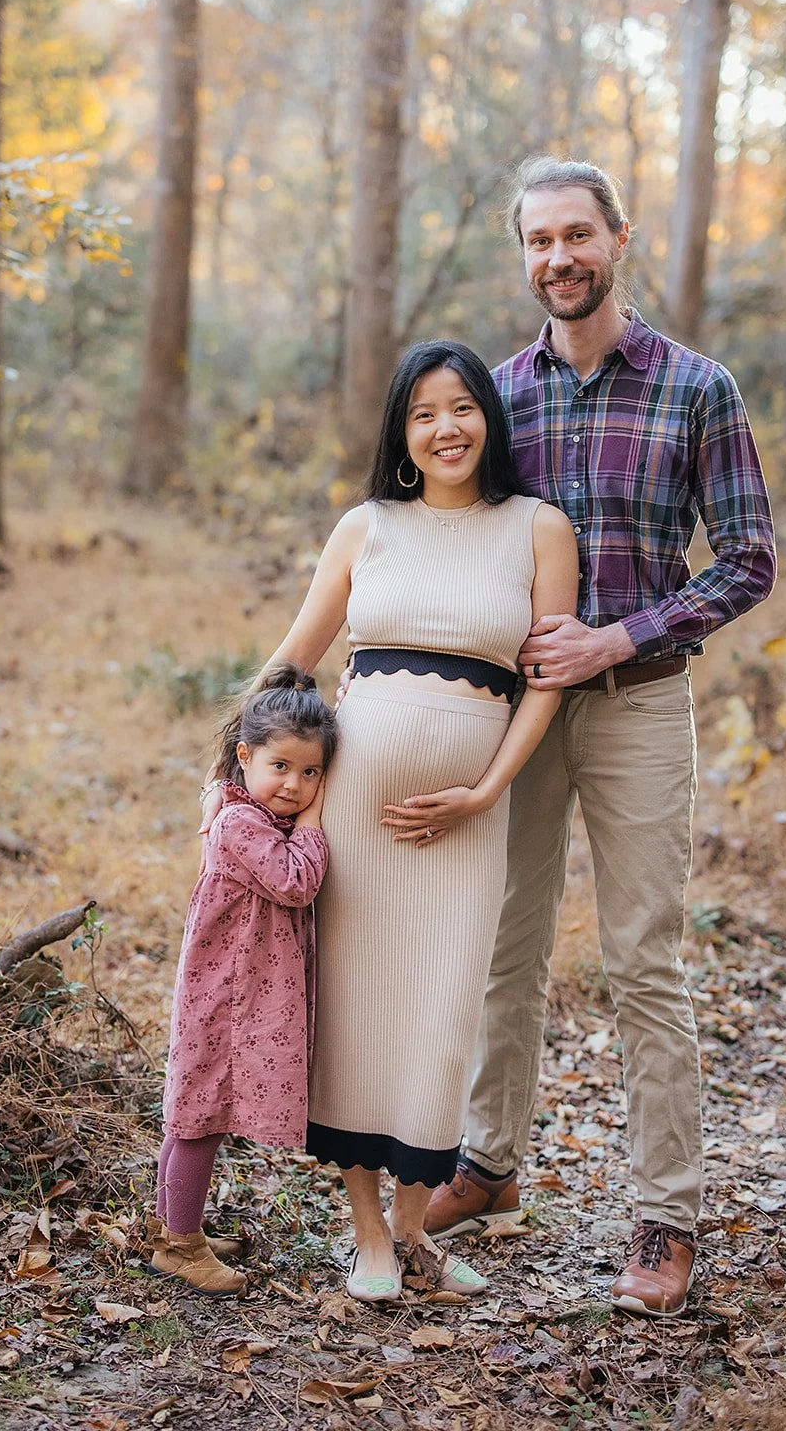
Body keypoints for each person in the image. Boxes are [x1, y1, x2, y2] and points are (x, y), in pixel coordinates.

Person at [423, 157, 777, 1319]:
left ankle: (664, 1216)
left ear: (617, 238)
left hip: (636, 702)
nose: (556, 258)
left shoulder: (694, 387)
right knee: (500, 946)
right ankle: (488, 1162)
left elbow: (744, 560)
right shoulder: (497, 393)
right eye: (537, 241)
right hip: (510, 712)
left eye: (576, 234)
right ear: (519, 255)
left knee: (640, 958)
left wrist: (616, 637)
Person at [204, 339, 578, 1302]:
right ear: (401, 434)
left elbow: (544, 681)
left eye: (461, 408)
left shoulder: (537, 528)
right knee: (360, 1013)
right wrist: (228, 770)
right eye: (422, 413)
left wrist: (488, 788)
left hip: (466, 816)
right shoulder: (366, 526)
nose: (444, 427)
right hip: (354, 809)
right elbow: (296, 658)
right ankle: (370, 1234)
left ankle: (416, 1229)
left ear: (488, 419)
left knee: (444, 1012)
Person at [150, 665, 335, 1296]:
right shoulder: (239, 824)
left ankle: (174, 1227)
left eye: (311, 773)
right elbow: (294, 881)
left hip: (235, 985)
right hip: (228, 994)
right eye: (280, 766)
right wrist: (314, 824)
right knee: (200, 1116)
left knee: (194, 1111)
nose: (294, 785)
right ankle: (179, 1244)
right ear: (245, 756)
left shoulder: (243, 813)